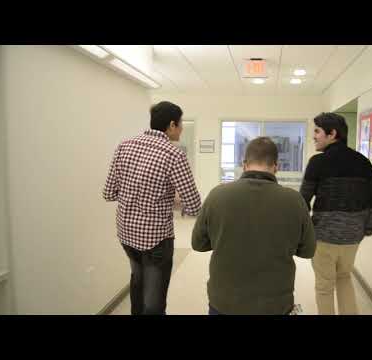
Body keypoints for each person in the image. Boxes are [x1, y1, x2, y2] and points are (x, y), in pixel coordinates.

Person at [192, 137, 316, 315]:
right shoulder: (294, 200)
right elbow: (308, 250)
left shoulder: (217, 195)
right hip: (275, 303)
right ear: (276, 166)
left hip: (224, 301)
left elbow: (198, 243)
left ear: (244, 164)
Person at [103, 101, 201, 315]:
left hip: (126, 233)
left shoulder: (125, 145)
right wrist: (171, 199)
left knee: (137, 283)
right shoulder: (173, 154)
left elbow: (109, 193)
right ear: (172, 125)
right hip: (156, 239)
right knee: (154, 302)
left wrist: (135, 195)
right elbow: (193, 205)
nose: (182, 128)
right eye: (181, 123)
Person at [300, 112, 372, 315]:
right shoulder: (363, 162)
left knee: (324, 286)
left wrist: (306, 230)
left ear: (332, 134)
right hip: (352, 239)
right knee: (344, 278)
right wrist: (365, 229)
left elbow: (302, 202)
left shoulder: (317, 163)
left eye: (318, 131)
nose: (314, 136)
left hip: (324, 238)